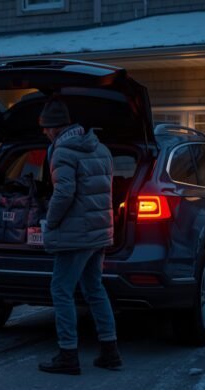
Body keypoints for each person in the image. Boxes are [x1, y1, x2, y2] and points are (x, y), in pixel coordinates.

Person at [37, 97, 122, 375]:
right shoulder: (101, 149)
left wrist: (50, 222)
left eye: (46, 128)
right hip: (98, 232)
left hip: (75, 234)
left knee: (61, 290)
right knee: (94, 289)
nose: (44, 133)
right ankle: (110, 352)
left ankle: (68, 355)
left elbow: (64, 193)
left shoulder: (62, 152)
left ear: (55, 128)